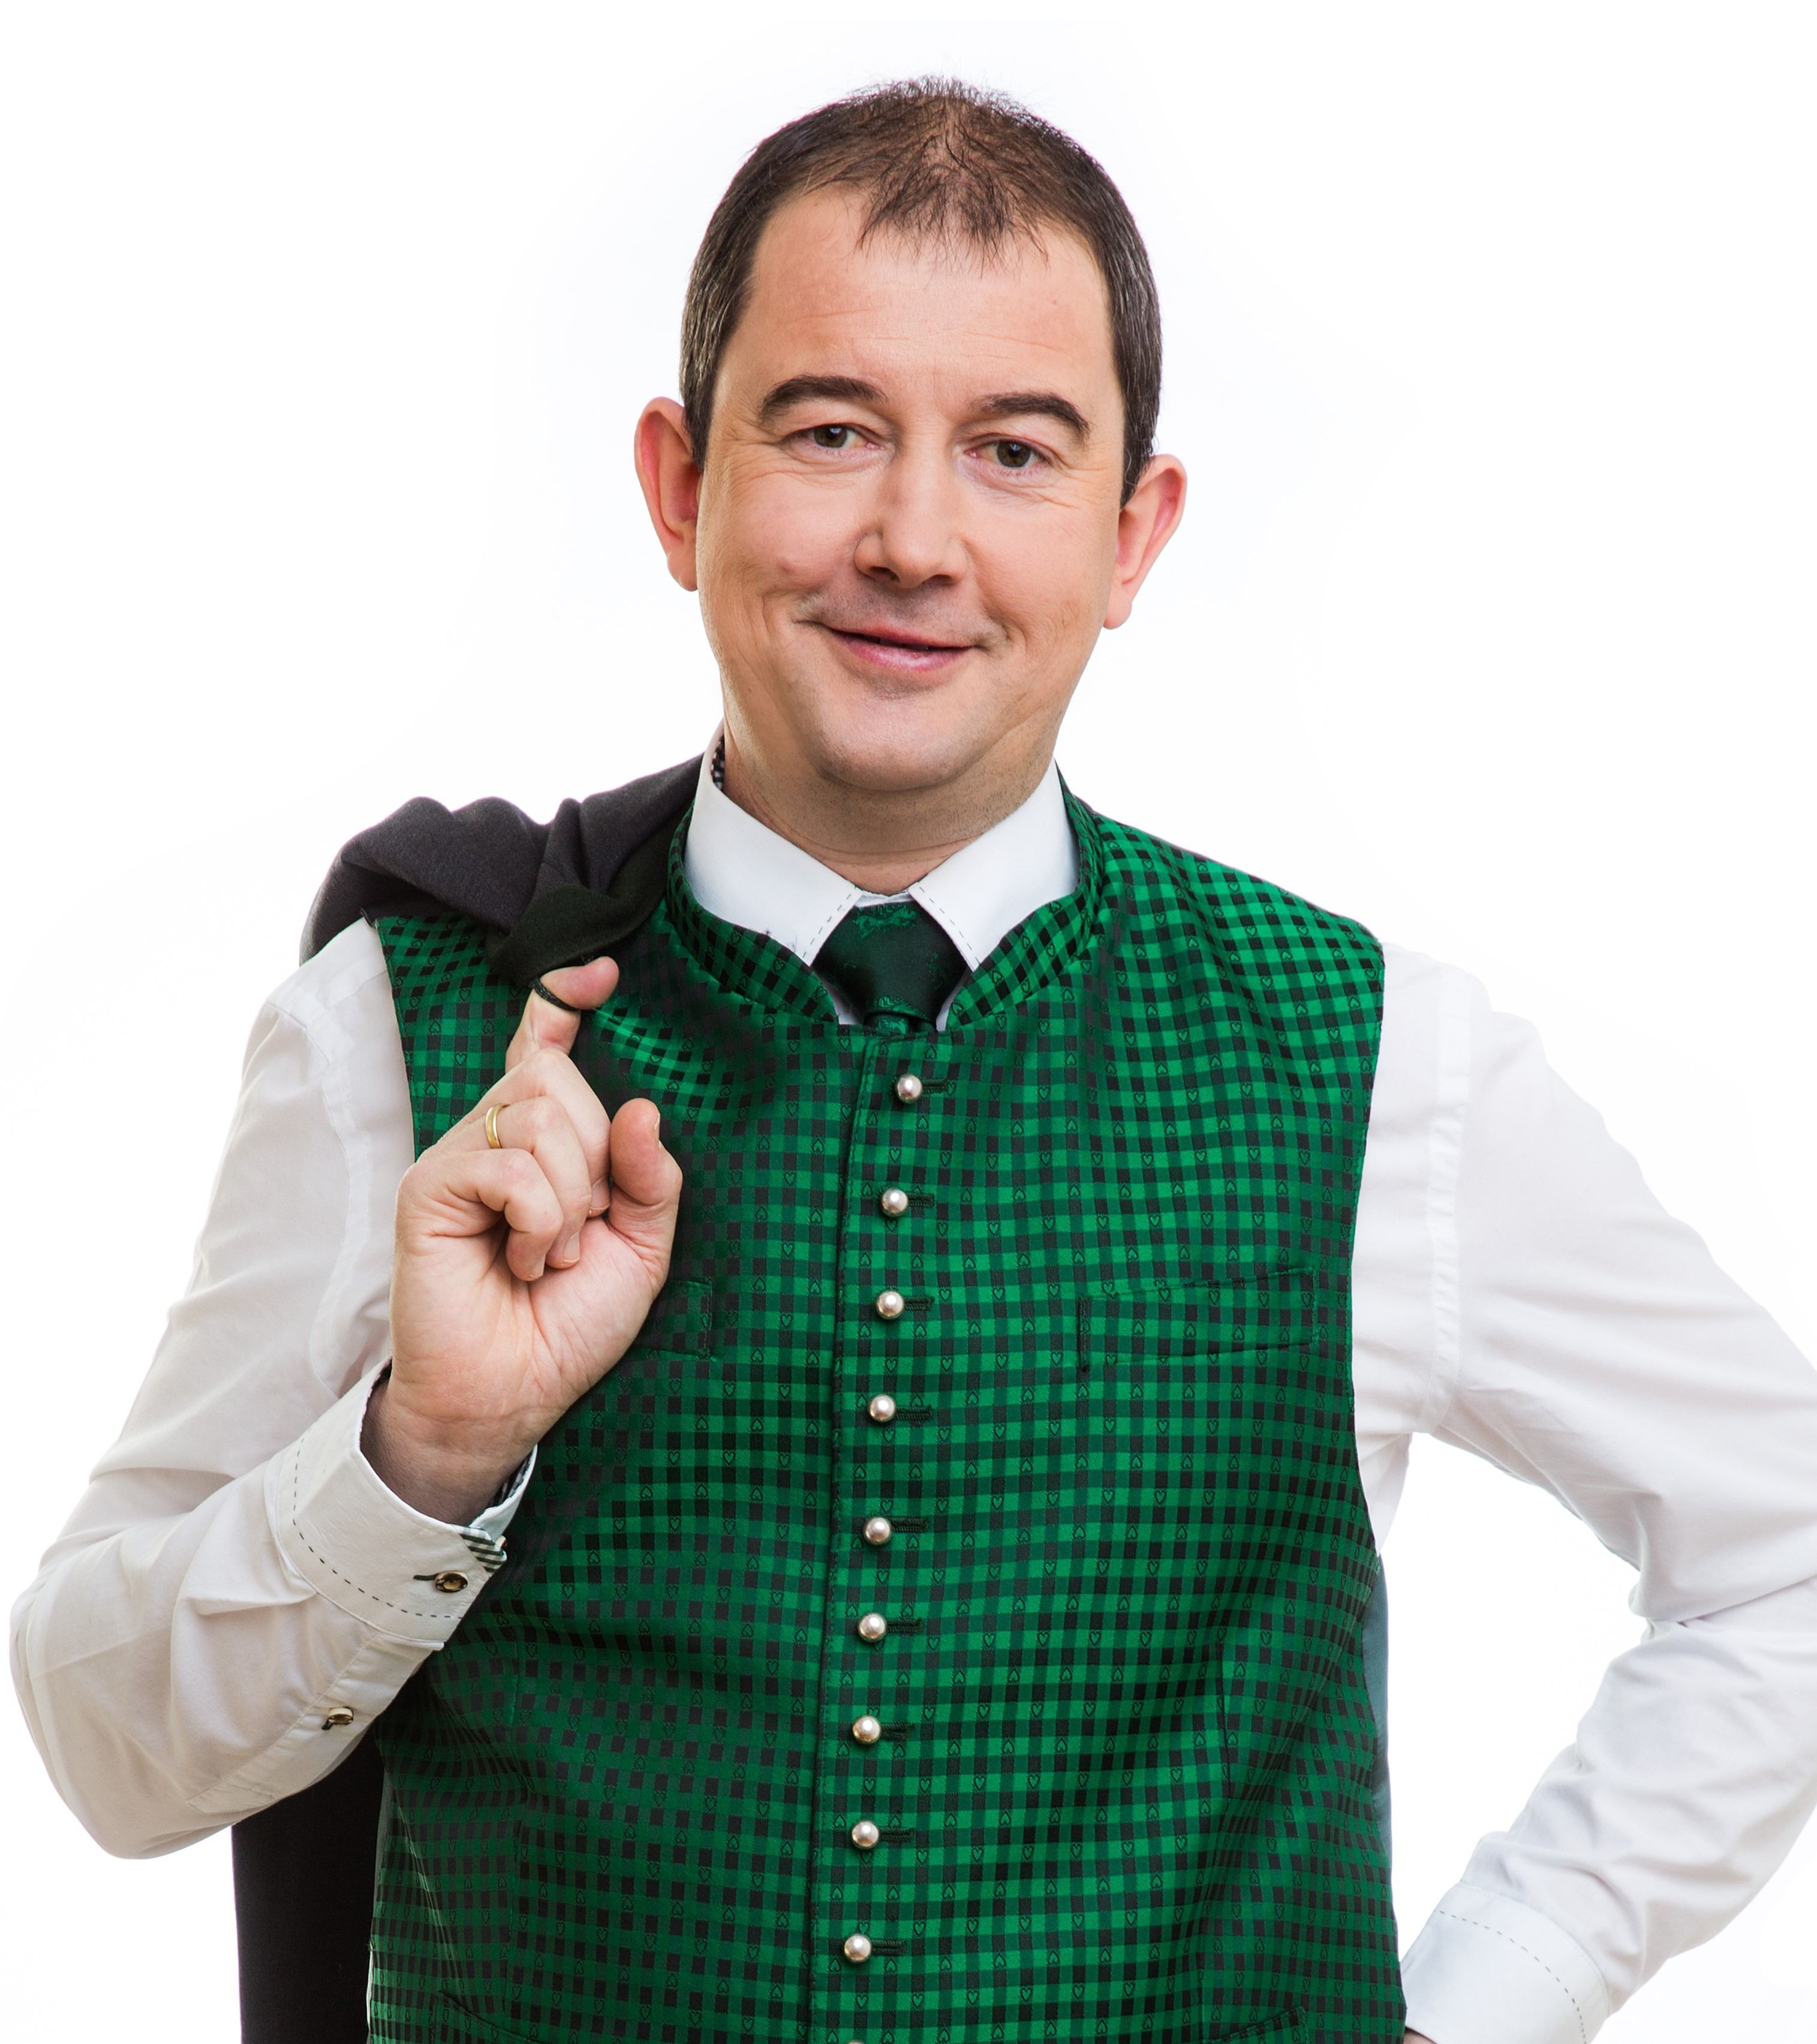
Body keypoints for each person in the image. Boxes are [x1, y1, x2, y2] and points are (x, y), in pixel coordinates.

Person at [12, 76, 1817, 2044]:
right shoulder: (404, 1020)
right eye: (829, 429)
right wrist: (420, 1454)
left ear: (1133, 535)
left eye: (1015, 451)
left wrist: (1468, 2009)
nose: (914, 539)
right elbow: (107, 1753)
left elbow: (1785, 1556)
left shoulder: (1383, 1066)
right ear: (679, 486)